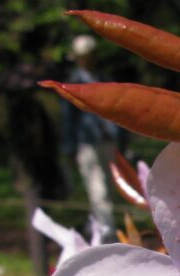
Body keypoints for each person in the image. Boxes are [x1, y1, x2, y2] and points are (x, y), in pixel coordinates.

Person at [61, 34, 117, 242]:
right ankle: (106, 234)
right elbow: (68, 118)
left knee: (110, 188)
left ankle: (95, 226)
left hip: (108, 141)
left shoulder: (104, 79)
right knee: (98, 189)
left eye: (91, 54)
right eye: (84, 55)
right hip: (87, 144)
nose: (88, 59)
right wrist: (69, 148)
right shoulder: (73, 84)